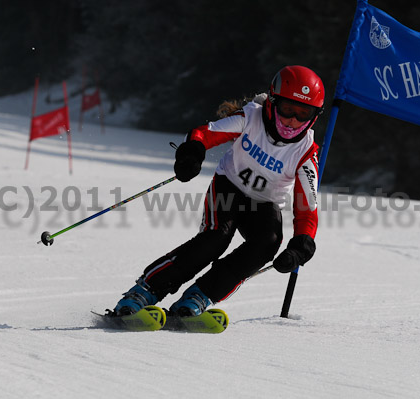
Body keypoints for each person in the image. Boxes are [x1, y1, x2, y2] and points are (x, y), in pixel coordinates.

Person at [111, 65, 323, 317]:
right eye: (287, 109)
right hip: (228, 187)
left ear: (314, 116)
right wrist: (192, 153)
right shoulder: (251, 117)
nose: (292, 121)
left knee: (267, 243)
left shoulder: (306, 152)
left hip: (263, 204)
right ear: (272, 102)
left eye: (303, 114)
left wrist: (301, 244)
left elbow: (306, 210)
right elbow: (204, 134)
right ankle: (145, 291)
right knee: (215, 238)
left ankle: (199, 296)